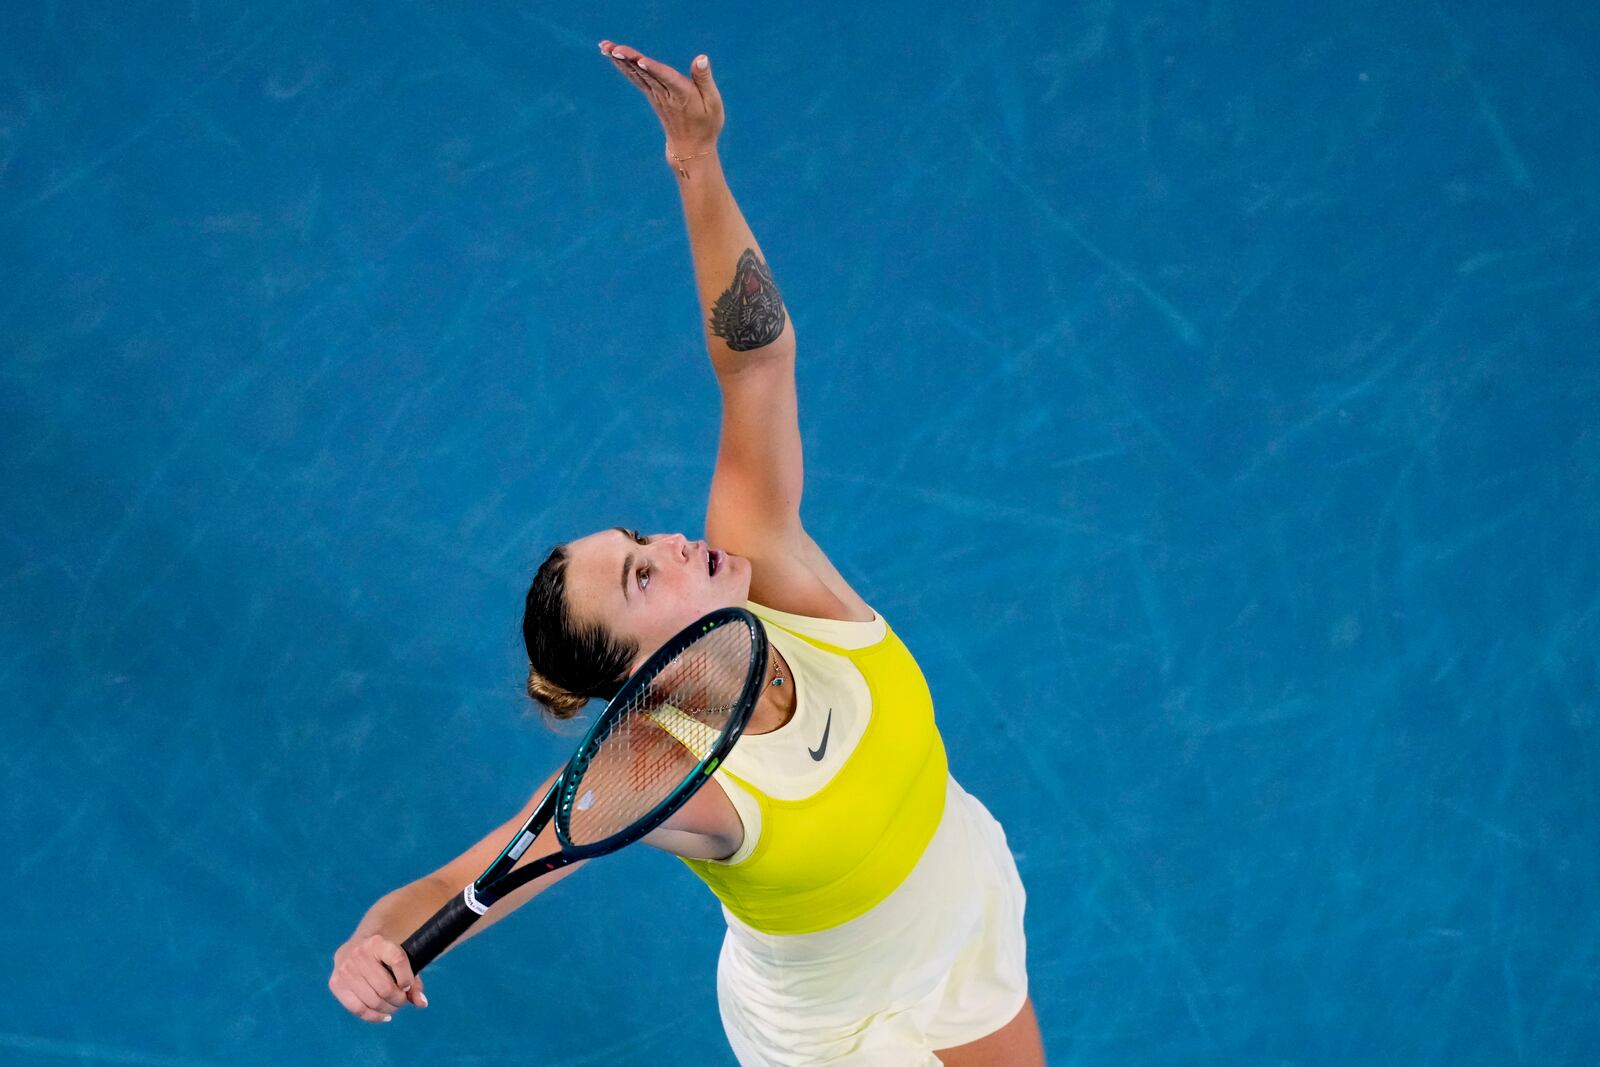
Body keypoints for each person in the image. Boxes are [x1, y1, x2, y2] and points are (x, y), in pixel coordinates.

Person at [328, 39, 1045, 1066]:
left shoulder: (766, 564)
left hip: (958, 906)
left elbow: (755, 358)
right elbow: (459, 880)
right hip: (833, 1037)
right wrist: (372, 940)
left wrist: (695, 163)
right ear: (635, 670)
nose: (668, 542)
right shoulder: (654, 768)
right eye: (639, 576)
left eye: (635, 540)